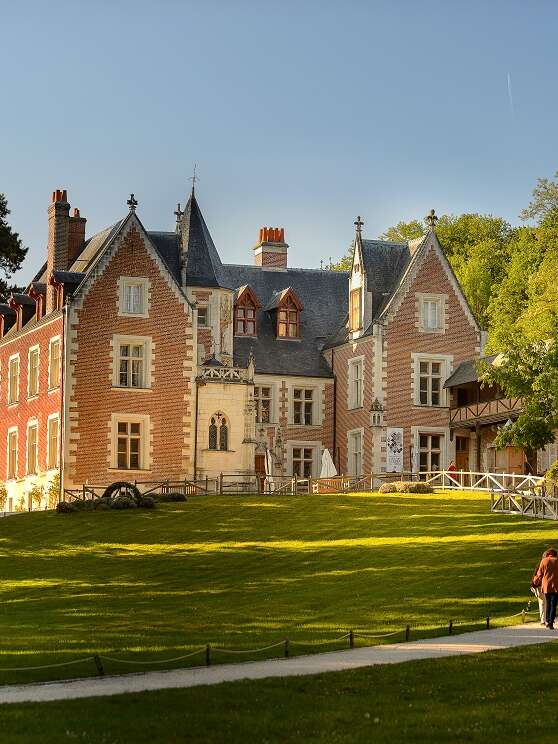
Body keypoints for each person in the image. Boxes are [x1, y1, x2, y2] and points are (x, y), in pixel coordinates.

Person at [532, 548, 558, 629]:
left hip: (546, 586)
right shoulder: (557, 560)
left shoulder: (544, 561)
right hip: (556, 585)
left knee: (548, 603)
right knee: (553, 604)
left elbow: (540, 573)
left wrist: (535, 582)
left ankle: (547, 621)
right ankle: (551, 622)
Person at [531, 550, 549, 625]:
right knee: (544, 602)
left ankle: (543, 620)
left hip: (539, 586)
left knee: (542, 603)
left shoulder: (540, 564)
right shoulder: (544, 565)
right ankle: (545, 620)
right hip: (541, 586)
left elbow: (535, 576)